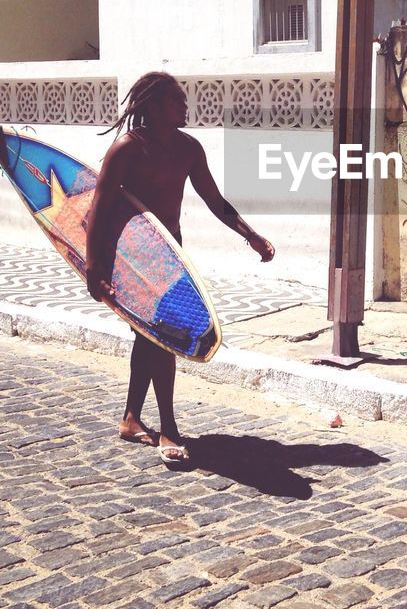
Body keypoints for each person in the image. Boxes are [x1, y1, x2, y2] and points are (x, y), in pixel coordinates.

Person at [85, 71, 274, 465]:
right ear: (154, 106)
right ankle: (169, 428)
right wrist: (94, 267)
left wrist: (250, 235)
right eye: (177, 101)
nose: (185, 106)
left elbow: (215, 201)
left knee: (149, 335)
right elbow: (98, 209)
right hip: (133, 258)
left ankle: (131, 418)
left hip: (170, 256)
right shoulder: (126, 149)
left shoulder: (189, 149)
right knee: (164, 337)